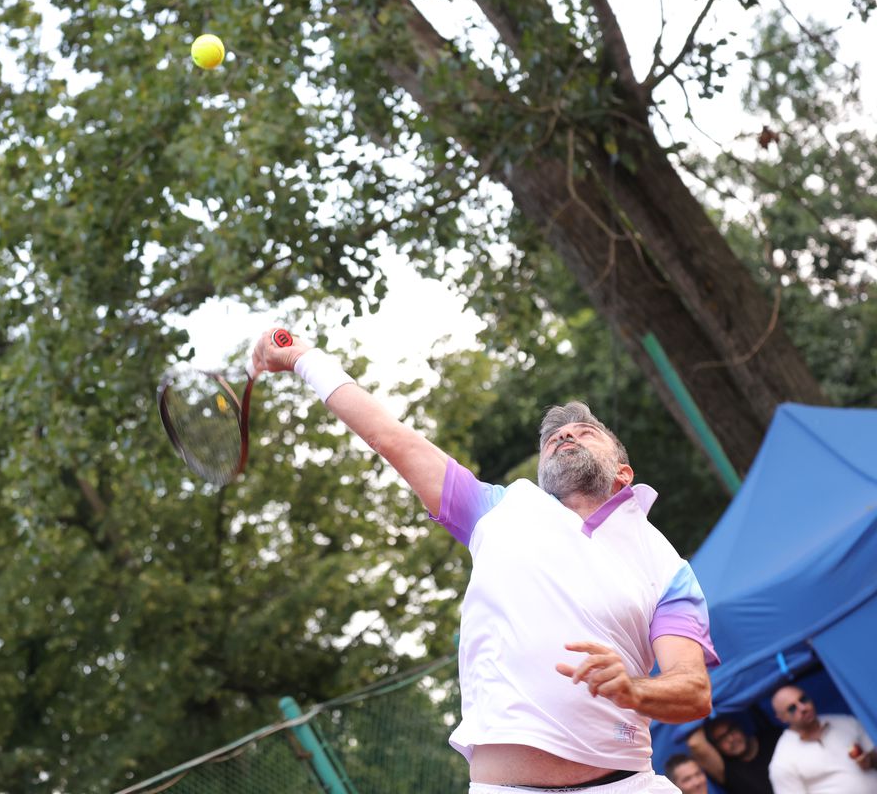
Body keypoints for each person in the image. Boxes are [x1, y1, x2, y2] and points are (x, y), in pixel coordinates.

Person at [250, 329, 719, 793]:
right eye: (554, 438)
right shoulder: (496, 510)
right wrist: (304, 358)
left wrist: (635, 689)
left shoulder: (666, 566)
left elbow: (693, 691)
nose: (565, 435)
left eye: (586, 432)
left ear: (623, 473)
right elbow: (389, 436)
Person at [768, 685, 877, 794]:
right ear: (782, 718)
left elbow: (873, 752)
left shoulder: (846, 722)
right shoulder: (782, 761)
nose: (803, 708)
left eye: (803, 699)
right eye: (792, 708)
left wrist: (869, 760)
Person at [686, 712, 779, 794]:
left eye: (731, 730)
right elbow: (695, 742)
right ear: (717, 747)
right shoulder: (726, 770)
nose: (731, 739)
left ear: (740, 727)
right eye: (722, 738)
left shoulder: (770, 738)